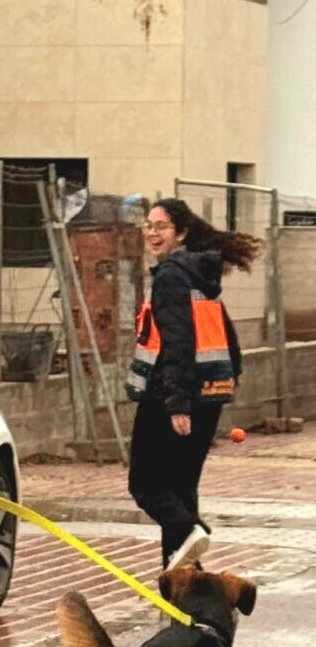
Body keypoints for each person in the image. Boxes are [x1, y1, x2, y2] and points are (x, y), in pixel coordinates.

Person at [126, 198, 261, 568]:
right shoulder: (199, 274)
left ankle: (190, 532)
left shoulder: (171, 275)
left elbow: (178, 342)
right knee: (180, 490)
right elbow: (227, 342)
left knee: (147, 486)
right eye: (149, 226)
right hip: (207, 395)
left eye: (162, 227)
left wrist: (178, 403)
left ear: (181, 233)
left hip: (169, 397)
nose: (153, 233)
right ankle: (185, 586)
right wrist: (223, 384)